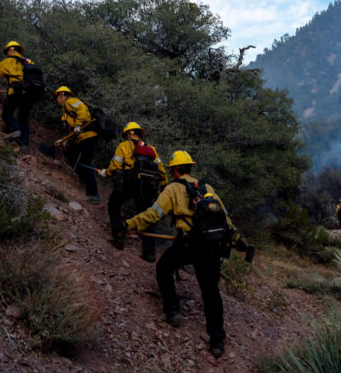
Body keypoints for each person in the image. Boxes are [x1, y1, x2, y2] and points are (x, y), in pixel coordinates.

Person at [123, 150, 245, 358]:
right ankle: (217, 341)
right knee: (211, 292)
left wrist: (128, 224)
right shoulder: (207, 188)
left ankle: (173, 311)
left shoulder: (173, 189)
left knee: (163, 268)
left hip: (188, 243)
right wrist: (237, 239)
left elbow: (154, 214)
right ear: (190, 167)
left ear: (175, 170)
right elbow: (224, 218)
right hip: (211, 246)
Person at [99, 122, 167, 260]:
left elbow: (116, 165)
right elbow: (161, 170)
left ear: (129, 133)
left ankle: (119, 237)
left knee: (113, 205)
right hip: (147, 186)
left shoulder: (123, 146)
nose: (125, 137)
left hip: (129, 183)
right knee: (147, 216)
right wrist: (164, 186)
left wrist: (106, 172)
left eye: (125, 134)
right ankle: (149, 252)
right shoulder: (151, 149)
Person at [54, 86, 100, 204]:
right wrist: (64, 140)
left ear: (62, 95)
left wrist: (78, 125)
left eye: (57, 97)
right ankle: (83, 178)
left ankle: (93, 195)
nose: (57, 100)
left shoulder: (70, 101)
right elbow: (73, 131)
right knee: (70, 153)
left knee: (85, 163)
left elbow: (82, 110)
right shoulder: (66, 109)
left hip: (88, 136)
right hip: (81, 138)